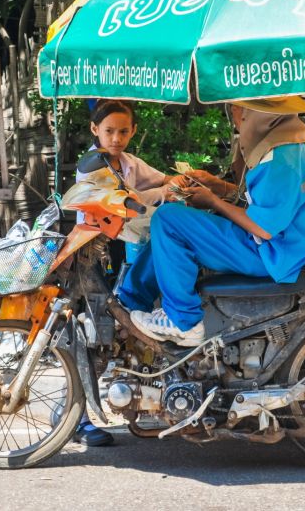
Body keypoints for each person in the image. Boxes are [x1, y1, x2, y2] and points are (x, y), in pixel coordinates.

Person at [119, 96, 305, 346]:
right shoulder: (291, 142)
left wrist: (214, 202)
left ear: (256, 116)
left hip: (275, 255)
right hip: (286, 247)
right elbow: (264, 202)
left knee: (168, 219)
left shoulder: (282, 158)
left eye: (238, 112)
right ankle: (129, 303)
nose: (235, 120)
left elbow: (264, 227)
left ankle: (183, 322)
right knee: (177, 222)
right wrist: (219, 187)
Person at [73, 99, 188, 446]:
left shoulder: (128, 161)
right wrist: (162, 192)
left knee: (121, 330)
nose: (116, 137)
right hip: (91, 257)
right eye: (109, 131)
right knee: (93, 335)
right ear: (95, 131)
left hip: (120, 251)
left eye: (123, 131)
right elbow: (128, 200)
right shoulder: (93, 166)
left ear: (133, 131)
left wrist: (180, 182)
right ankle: (76, 419)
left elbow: (158, 179)